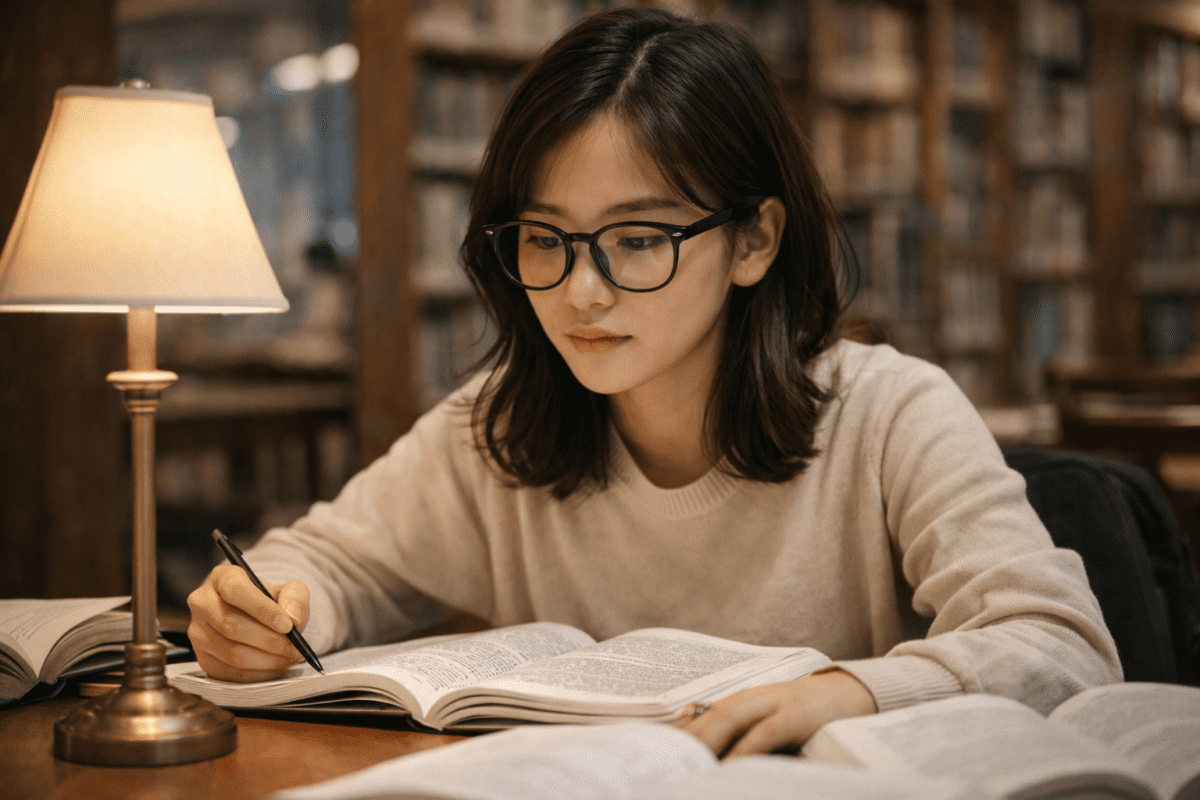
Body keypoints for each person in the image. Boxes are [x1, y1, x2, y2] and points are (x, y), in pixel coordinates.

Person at [187, 6, 1120, 758]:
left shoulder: (889, 413)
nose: (582, 294)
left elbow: (1063, 647)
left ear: (753, 240)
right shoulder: (495, 429)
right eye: (547, 241)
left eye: (637, 240)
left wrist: (846, 691)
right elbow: (328, 566)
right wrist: (266, 609)